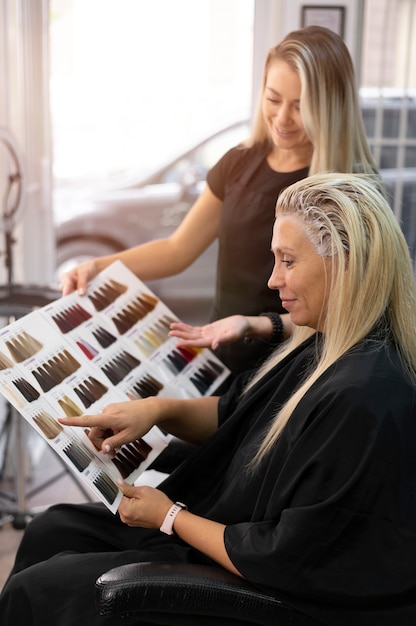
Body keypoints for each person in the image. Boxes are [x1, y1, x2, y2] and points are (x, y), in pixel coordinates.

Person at [2, 172, 416, 626]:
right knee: (51, 527)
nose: (273, 279)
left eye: (288, 261)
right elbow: (237, 416)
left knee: (38, 589)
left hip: (262, 585)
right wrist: (156, 411)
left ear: (346, 262)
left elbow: (287, 558)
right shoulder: (322, 343)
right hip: (233, 533)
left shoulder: (363, 397)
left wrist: (169, 516)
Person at [60, 25, 378, 377]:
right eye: (273, 99)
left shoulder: (349, 188)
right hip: (221, 352)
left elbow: (348, 310)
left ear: (331, 107)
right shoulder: (239, 162)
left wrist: (257, 324)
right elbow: (176, 250)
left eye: (300, 107)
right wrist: (98, 266)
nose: (282, 119)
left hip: (295, 367)